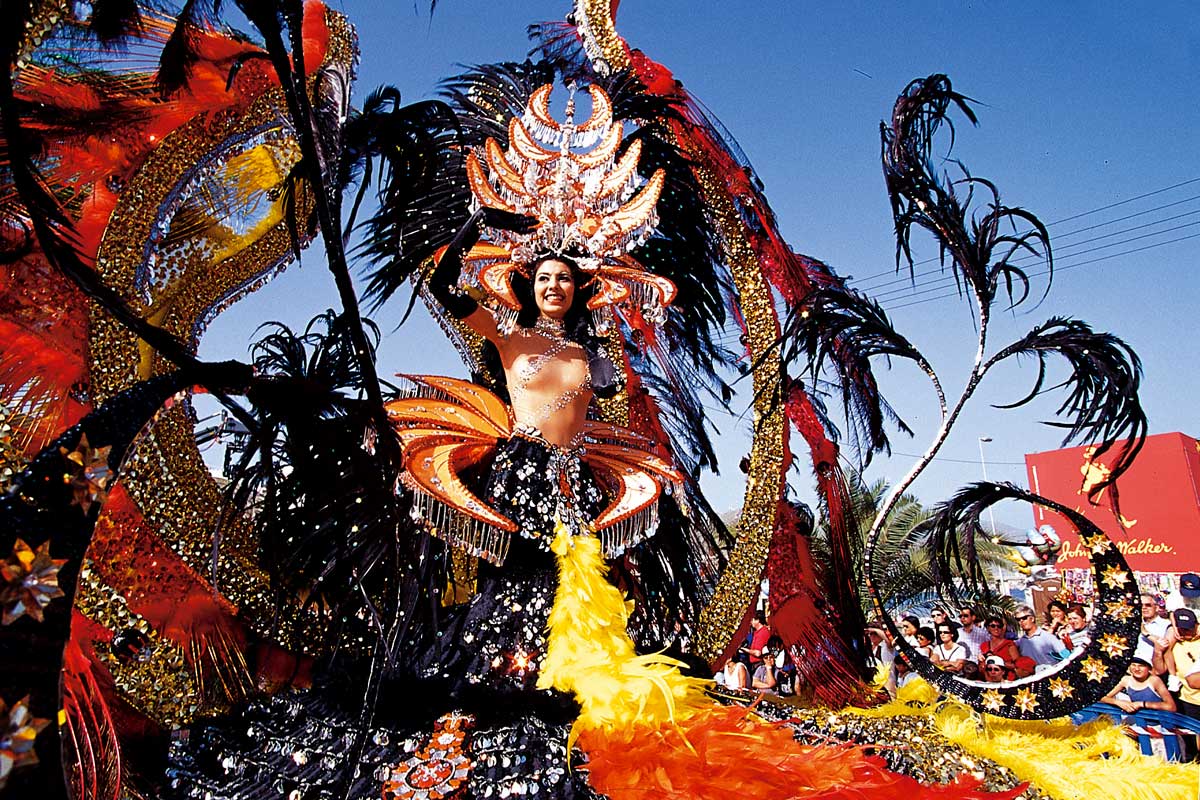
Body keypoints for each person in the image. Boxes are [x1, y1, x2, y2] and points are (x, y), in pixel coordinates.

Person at [1101, 658, 1176, 714]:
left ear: (1149, 668)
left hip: (1160, 721)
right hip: (1139, 720)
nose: (1137, 669)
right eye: (1133, 665)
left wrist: (1142, 704)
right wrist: (1119, 702)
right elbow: (1102, 697)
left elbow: (1171, 706)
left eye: (1141, 666)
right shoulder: (1126, 680)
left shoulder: (1154, 680)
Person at [1015, 604, 1069, 669]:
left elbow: (1067, 656)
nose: (1021, 621)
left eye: (1024, 618)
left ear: (1032, 619)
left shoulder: (1048, 637)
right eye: (1018, 619)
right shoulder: (1020, 642)